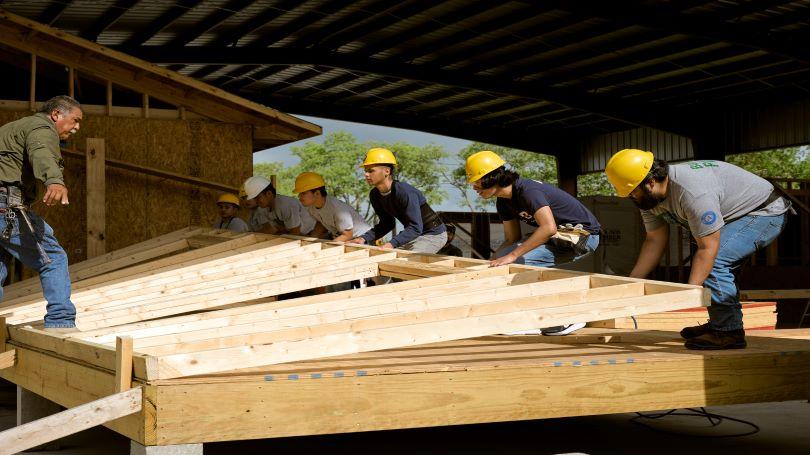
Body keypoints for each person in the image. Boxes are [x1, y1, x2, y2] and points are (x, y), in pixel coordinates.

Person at [605, 149, 791, 350]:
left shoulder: (691, 192)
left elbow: (708, 247)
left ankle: (728, 332)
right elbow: (654, 240)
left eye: (632, 192)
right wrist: (632, 283)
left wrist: (689, 292)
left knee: (716, 260)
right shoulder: (648, 200)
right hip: (735, 215)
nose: (631, 197)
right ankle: (720, 323)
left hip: (765, 212)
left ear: (650, 182)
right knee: (714, 262)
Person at [466, 150, 602, 336]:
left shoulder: (528, 191)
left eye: (477, 181)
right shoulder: (503, 202)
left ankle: (566, 318)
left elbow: (548, 228)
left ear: (492, 177)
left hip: (583, 236)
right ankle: (522, 317)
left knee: (517, 262)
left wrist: (512, 256)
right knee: (502, 263)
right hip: (559, 237)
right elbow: (511, 239)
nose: (474, 187)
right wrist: (492, 261)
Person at [0, 95, 82, 332]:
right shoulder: (41, 128)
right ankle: (61, 322)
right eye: (75, 120)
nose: (77, 128)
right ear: (56, 114)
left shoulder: (12, 128)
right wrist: (54, 180)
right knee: (53, 258)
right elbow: (41, 150)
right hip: (7, 207)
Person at [348, 148, 447, 253]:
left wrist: (391, 244)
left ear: (387, 171)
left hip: (433, 234)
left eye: (371, 170)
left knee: (407, 264)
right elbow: (387, 224)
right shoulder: (375, 195)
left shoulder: (405, 191)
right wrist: (363, 238)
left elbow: (415, 227)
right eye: (365, 171)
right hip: (414, 235)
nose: (366, 174)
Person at [294, 172, 372, 242]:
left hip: (363, 238)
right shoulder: (311, 207)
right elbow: (321, 223)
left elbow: (348, 235)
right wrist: (312, 240)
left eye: (303, 193)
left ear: (317, 193)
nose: (299, 196)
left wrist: (328, 247)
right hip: (342, 236)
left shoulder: (337, 209)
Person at [242, 176, 317, 236]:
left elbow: (295, 233)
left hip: (312, 235)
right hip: (294, 235)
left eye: (258, 197)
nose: (256, 201)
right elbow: (269, 229)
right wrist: (247, 235)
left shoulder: (286, 205)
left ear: (269, 194)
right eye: (254, 198)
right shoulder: (262, 208)